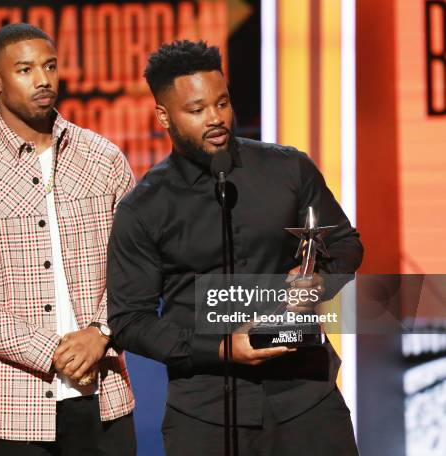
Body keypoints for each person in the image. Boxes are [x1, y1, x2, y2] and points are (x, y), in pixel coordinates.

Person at [107, 40, 362, 455]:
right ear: (163, 117)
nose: (216, 118)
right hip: (206, 414)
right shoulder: (144, 208)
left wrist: (318, 282)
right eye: (197, 110)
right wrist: (221, 348)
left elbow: (345, 243)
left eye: (222, 103)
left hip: (307, 400)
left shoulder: (288, 169)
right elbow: (130, 320)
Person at [0, 23, 136, 455]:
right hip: (13, 406)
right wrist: (52, 351)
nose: (43, 80)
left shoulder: (103, 159)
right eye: (24, 69)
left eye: (50, 66)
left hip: (105, 396)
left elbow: (138, 268)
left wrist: (101, 331)